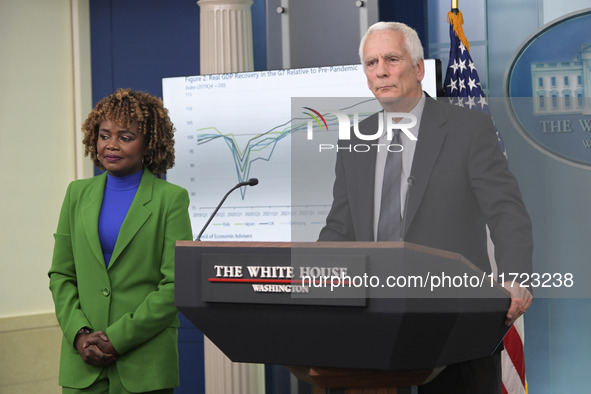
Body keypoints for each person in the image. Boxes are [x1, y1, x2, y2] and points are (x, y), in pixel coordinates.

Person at [318, 22, 533, 393]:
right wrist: (313, 278)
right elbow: (341, 225)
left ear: (418, 68)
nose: (381, 71)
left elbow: (506, 211)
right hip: (374, 321)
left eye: (391, 59)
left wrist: (515, 276)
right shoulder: (354, 139)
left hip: (454, 322)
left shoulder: (469, 129)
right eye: (371, 63)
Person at [49, 88, 193, 393]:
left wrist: (117, 338)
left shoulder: (171, 200)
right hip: (82, 364)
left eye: (125, 137)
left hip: (144, 366)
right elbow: (62, 275)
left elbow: (176, 284)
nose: (111, 145)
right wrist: (79, 335)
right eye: (104, 135)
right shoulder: (77, 194)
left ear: (148, 143)